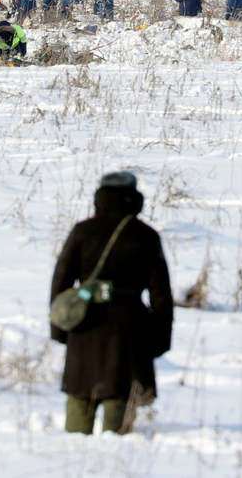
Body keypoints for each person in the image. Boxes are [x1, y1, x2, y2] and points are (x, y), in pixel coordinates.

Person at [50, 171, 173, 436]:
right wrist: (161, 339)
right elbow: (160, 295)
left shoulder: (82, 231)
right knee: (120, 395)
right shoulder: (146, 235)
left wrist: (60, 328)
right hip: (129, 328)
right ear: (135, 199)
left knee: (79, 395)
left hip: (83, 325)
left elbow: (60, 283)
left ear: (99, 198)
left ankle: (72, 457)